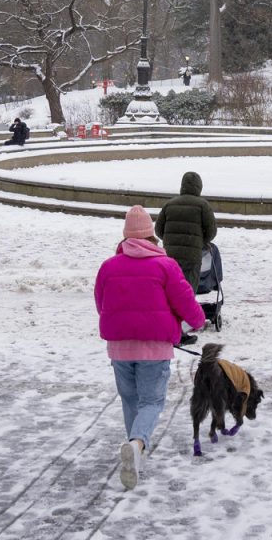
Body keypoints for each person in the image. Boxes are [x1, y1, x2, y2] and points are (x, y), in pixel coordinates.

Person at [94, 205, 205, 491]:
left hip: (119, 347)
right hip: (155, 348)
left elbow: (101, 303)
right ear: (151, 235)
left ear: (125, 236)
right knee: (152, 401)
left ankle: (137, 454)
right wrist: (197, 321)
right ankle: (137, 443)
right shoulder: (165, 265)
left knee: (130, 399)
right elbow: (185, 301)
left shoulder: (108, 266)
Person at [155, 171, 217, 345]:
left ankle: (165, 326)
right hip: (191, 257)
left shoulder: (170, 204)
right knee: (186, 293)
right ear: (199, 187)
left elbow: (158, 230)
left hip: (169, 258)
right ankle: (179, 332)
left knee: (168, 293)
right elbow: (211, 231)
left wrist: (169, 242)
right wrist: (200, 242)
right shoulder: (202, 205)